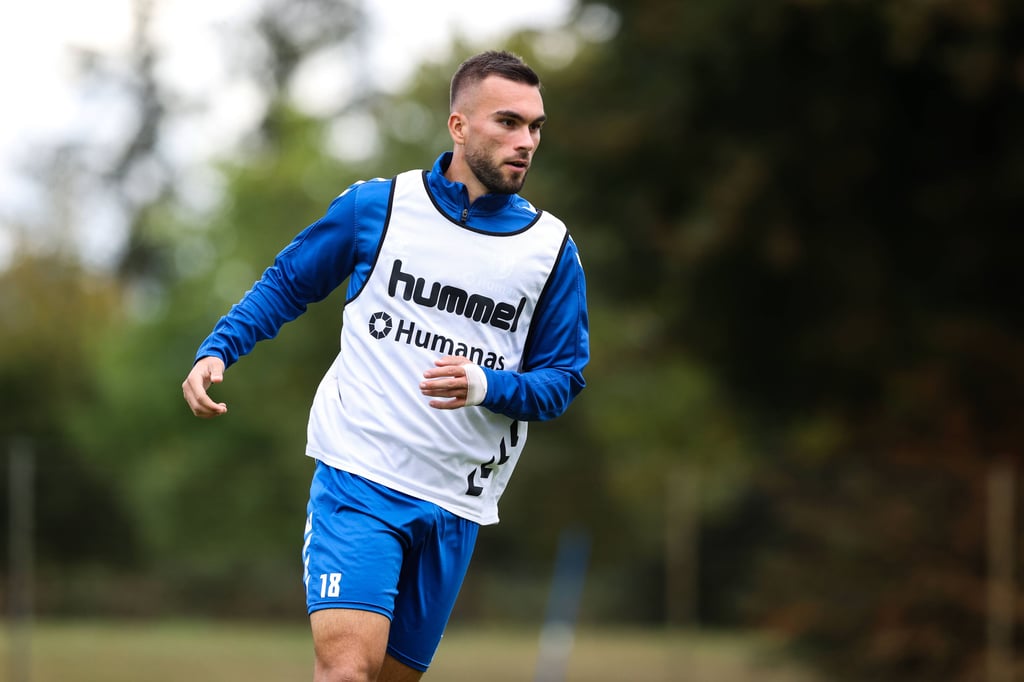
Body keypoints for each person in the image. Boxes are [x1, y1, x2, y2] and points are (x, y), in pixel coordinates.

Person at [182, 50, 589, 682]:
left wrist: (486, 384)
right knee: (347, 671)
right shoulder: (379, 206)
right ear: (458, 126)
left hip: (456, 504)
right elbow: (289, 281)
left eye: (535, 127)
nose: (526, 141)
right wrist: (219, 348)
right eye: (508, 122)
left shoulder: (551, 250)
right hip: (360, 476)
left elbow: (562, 381)